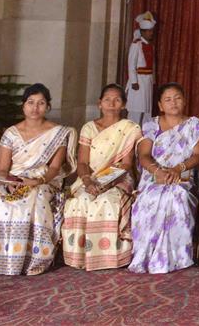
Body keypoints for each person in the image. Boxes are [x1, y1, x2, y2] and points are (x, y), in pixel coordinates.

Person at [0, 83, 75, 276]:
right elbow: (2, 169)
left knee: (33, 203)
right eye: (31, 102)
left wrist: (37, 182)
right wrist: (9, 184)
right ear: (23, 105)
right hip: (13, 181)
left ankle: (30, 260)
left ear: (48, 107)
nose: (35, 108)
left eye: (41, 103)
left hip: (42, 181)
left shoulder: (58, 133)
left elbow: (54, 168)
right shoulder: (11, 133)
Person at [128, 83, 199, 274]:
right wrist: (158, 171)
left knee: (176, 197)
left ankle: (177, 257)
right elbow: (144, 155)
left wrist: (178, 169)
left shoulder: (193, 124)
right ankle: (146, 255)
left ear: (185, 101)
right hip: (154, 177)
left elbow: (198, 155)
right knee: (150, 200)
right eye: (168, 99)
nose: (173, 103)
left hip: (182, 177)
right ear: (160, 105)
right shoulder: (151, 125)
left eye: (178, 98)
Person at [62, 83, 141, 271]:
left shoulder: (129, 128)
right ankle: (80, 256)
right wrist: (88, 181)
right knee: (80, 200)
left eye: (117, 100)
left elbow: (125, 164)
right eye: (107, 99)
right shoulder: (89, 128)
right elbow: (82, 163)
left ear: (123, 105)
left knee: (107, 201)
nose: (111, 103)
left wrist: (106, 183)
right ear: (99, 103)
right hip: (90, 177)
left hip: (119, 178)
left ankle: (108, 258)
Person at [125, 11, 157, 128]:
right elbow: (131, 64)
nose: (151, 33)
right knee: (136, 110)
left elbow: (152, 65)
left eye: (152, 31)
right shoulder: (136, 45)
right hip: (138, 81)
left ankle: (145, 135)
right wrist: (134, 81)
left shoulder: (150, 45)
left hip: (147, 81)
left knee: (147, 110)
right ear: (143, 32)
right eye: (149, 31)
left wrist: (153, 81)